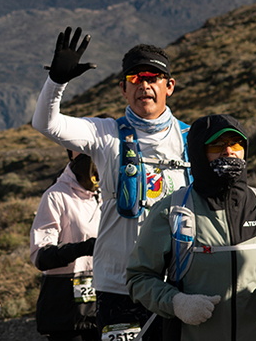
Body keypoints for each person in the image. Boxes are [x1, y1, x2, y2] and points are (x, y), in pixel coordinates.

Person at [32, 27, 189, 340]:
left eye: (153, 77)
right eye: (135, 78)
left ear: (169, 86)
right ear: (123, 89)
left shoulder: (190, 139)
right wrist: (57, 82)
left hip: (176, 285)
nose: (144, 85)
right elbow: (46, 124)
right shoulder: (105, 134)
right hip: (118, 286)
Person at [126, 114, 256, 340]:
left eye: (236, 144)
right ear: (199, 153)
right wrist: (176, 302)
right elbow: (139, 278)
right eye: (217, 145)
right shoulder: (172, 211)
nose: (228, 151)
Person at [30, 151, 101, 340]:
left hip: (106, 304)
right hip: (66, 309)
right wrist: (84, 248)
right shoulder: (56, 196)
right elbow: (41, 256)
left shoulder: (112, 195)